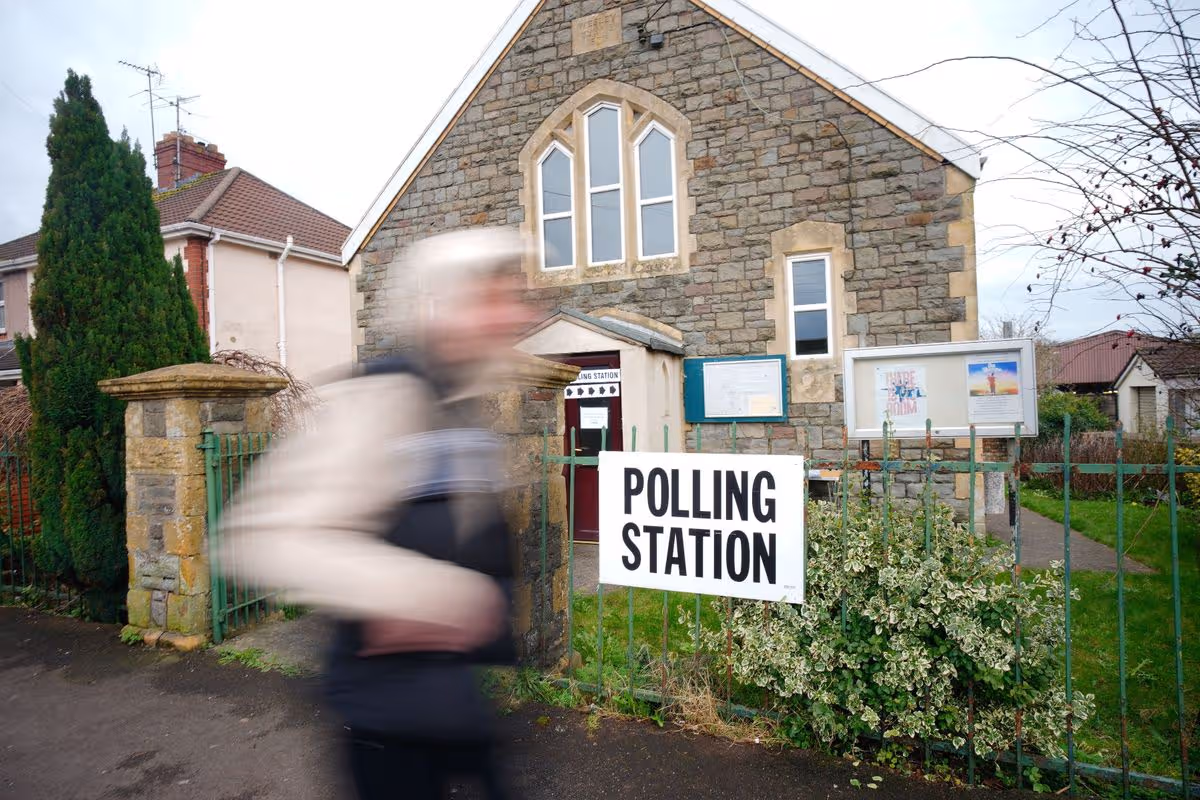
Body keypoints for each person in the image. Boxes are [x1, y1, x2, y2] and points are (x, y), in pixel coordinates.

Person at [220, 228, 538, 800]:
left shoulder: (465, 407)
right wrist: (429, 594)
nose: (515, 312)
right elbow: (264, 534)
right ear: (443, 306)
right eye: (494, 296)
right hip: (387, 725)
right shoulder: (381, 398)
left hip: (456, 707)